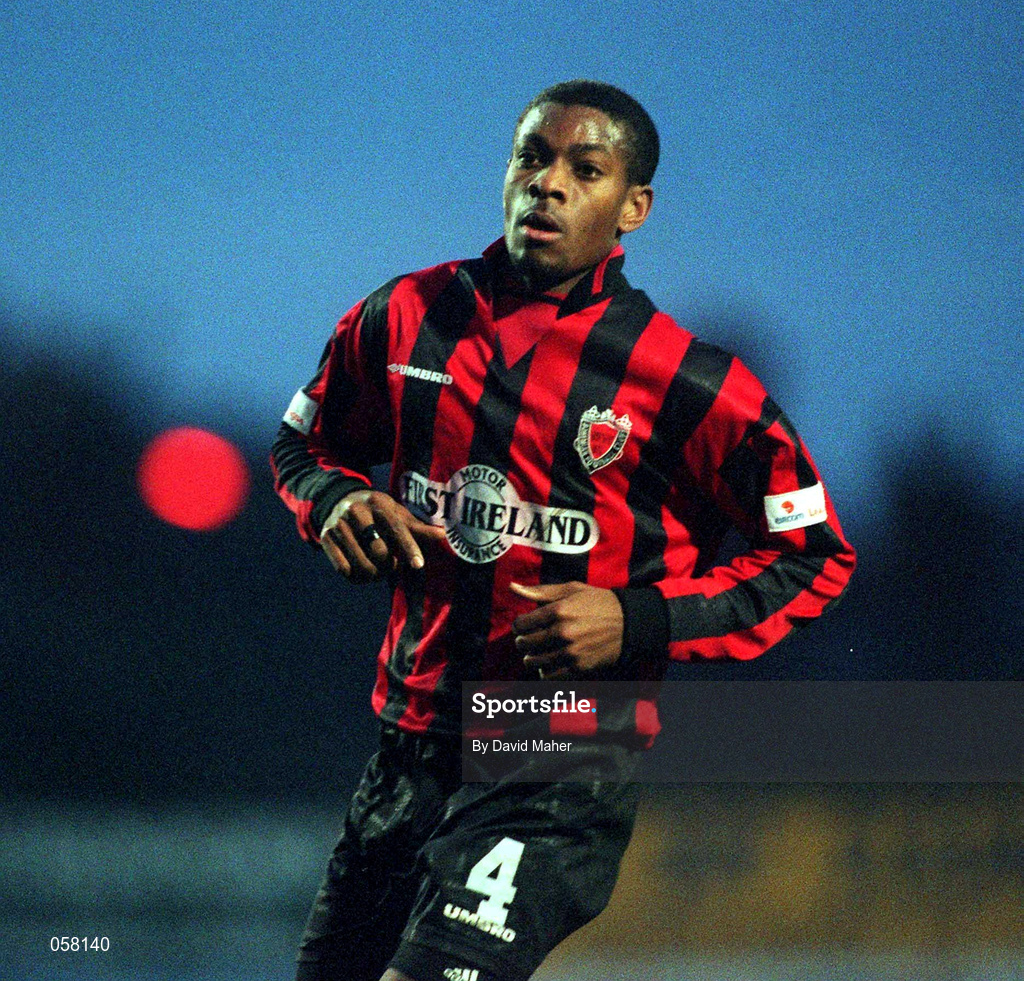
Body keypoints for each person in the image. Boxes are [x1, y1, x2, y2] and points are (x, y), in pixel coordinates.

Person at [271, 79, 855, 981]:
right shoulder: (404, 317)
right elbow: (305, 447)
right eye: (532, 158)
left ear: (633, 208)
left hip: (558, 751)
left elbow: (814, 557)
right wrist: (337, 504)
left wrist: (637, 617)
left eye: (585, 170)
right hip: (410, 740)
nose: (547, 185)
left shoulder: (688, 384)